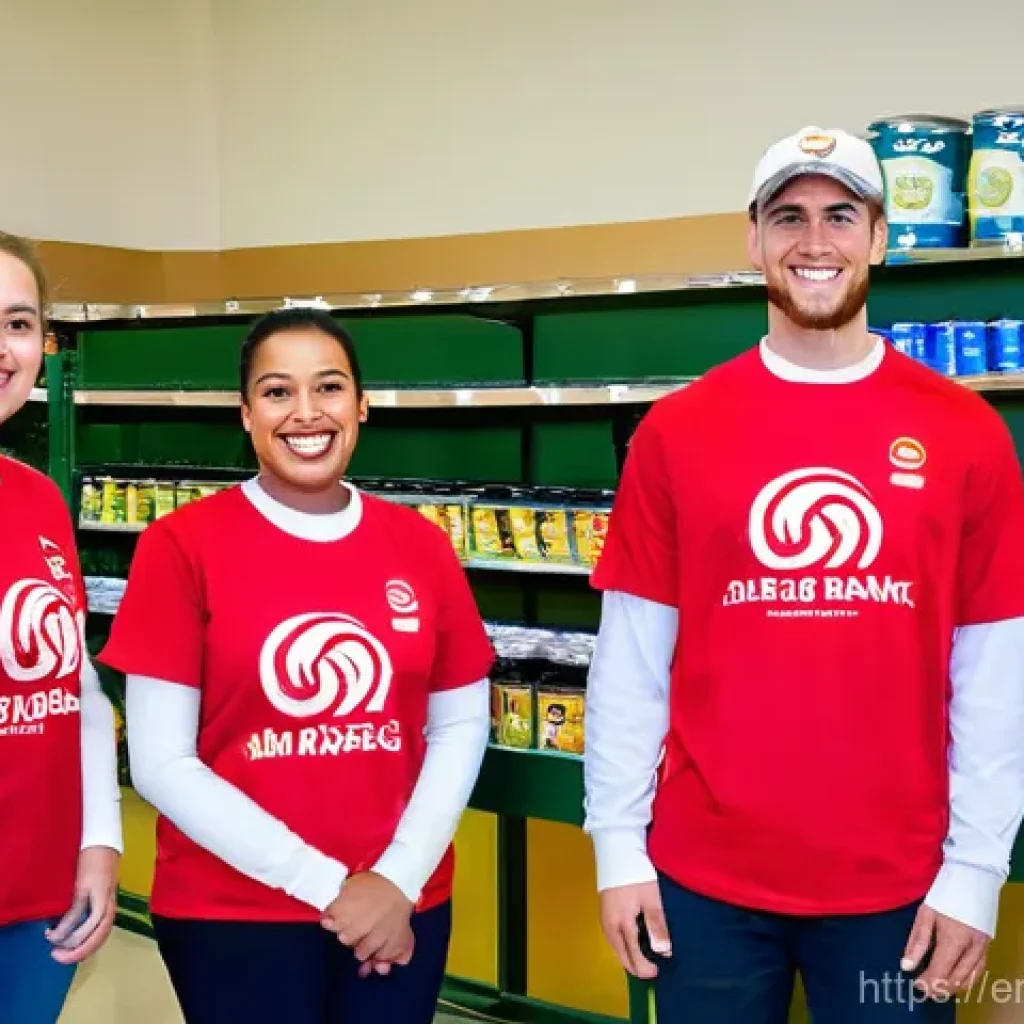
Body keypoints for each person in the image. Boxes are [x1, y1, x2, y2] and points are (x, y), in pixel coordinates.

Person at [583, 125, 1024, 1022]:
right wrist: (618, 847)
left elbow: (994, 669)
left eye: (839, 216)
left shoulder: (967, 433)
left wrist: (977, 867)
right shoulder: (676, 432)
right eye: (788, 217)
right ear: (754, 240)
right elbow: (630, 662)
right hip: (703, 884)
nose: (813, 242)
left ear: (879, 237)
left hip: (898, 888)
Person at [99, 307, 495, 1024]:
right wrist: (333, 888)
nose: (306, 413)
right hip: (233, 912)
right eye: (278, 392)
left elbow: (462, 722)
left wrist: (395, 881)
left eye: (330, 387)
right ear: (245, 413)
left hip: (403, 904)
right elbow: (160, 761)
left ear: (363, 405)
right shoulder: (181, 546)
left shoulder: (420, 546)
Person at [0, 231, 122, 1021]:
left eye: (17, 323)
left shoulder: (39, 497)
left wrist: (99, 841)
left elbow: (74, 688)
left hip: (38, 894)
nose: (2, 347)